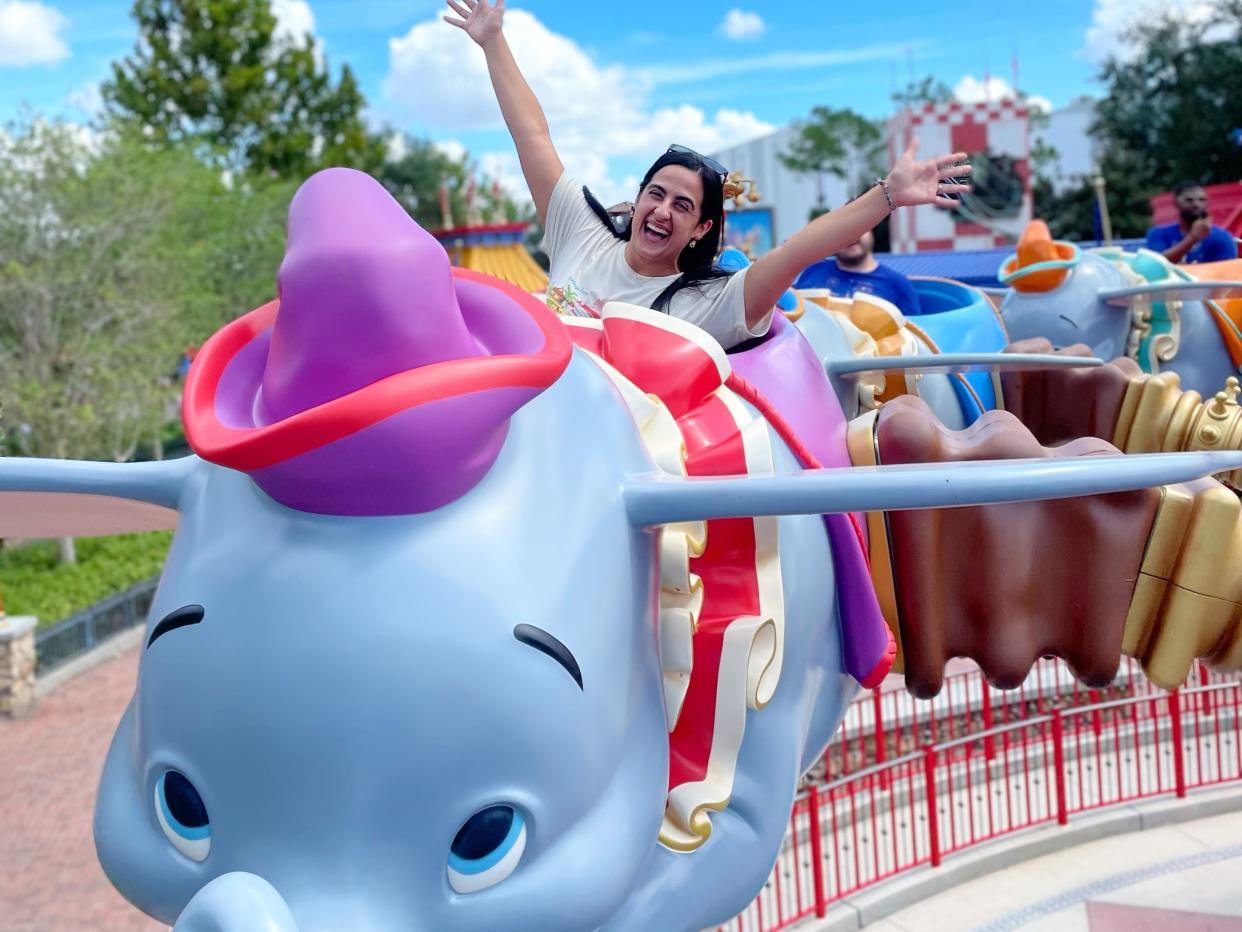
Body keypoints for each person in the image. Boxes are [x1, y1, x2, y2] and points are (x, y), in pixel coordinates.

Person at [444, 0, 969, 349]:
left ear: (700, 228)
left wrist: (887, 196)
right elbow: (533, 136)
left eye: (683, 205)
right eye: (657, 193)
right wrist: (493, 42)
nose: (662, 210)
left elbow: (798, 251)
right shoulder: (581, 234)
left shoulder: (711, 302)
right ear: (639, 197)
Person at [793, 229, 922, 315]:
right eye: (842, 231)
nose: (851, 236)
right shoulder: (812, 272)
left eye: (859, 227)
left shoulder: (898, 285)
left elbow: (915, 339)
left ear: (871, 229)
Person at [1145, 181, 1239, 264]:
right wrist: (1192, 238)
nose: (1196, 204)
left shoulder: (1221, 236)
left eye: (1201, 200)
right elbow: (1156, 264)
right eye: (1189, 200)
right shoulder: (1158, 233)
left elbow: (1227, 272)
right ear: (1176, 203)